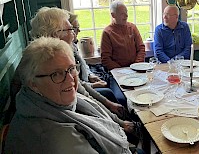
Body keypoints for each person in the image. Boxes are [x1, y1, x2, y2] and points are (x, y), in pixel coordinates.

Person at [4, 37, 134, 153]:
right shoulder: (57, 139)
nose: (70, 79)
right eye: (56, 74)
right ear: (32, 83)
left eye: (71, 68)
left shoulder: (34, 101)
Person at [29, 7, 125, 118]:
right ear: (56, 34)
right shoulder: (48, 63)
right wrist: (116, 120)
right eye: (71, 29)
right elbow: (84, 98)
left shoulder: (63, 52)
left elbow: (80, 88)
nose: (75, 33)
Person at [68, 12, 118, 103]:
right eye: (75, 28)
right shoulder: (65, 53)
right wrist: (93, 85)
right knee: (108, 92)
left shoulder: (73, 45)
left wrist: (90, 75)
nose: (79, 31)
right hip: (82, 91)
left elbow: (83, 64)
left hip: (87, 81)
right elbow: (76, 85)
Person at [100, 0, 145, 71]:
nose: (126, 16)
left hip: (136, 68)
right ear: (113, 15)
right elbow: (106, 59)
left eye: (126, 12)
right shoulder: (107, 32)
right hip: (117, 71)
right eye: (122, 14)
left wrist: (136, 66)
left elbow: (141, 48)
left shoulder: (132, 27)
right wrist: (122, 71)